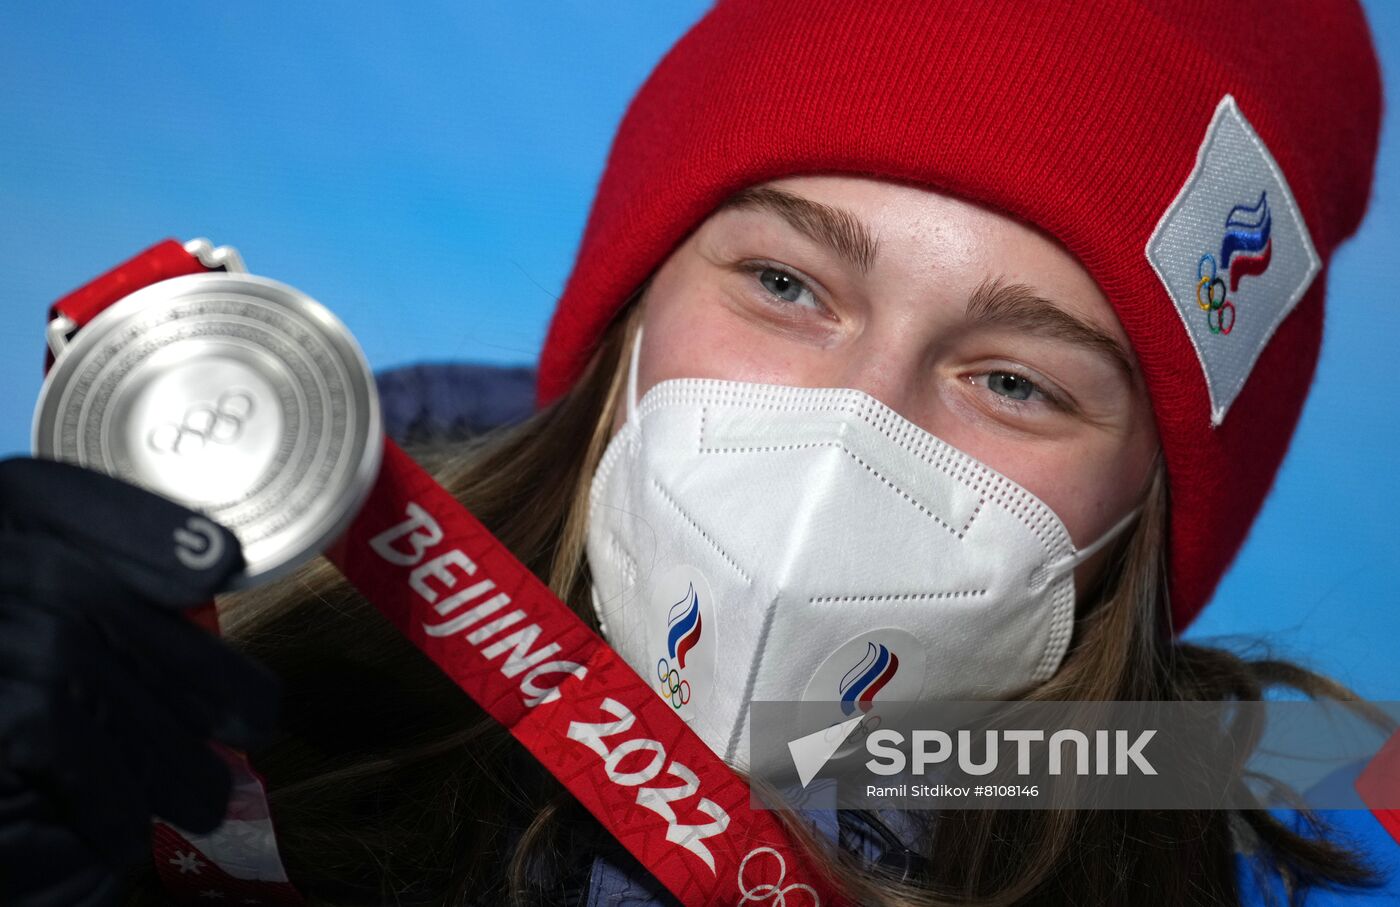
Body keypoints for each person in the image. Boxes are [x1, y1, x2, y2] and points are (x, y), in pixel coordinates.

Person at [0, 1, 1393, 905]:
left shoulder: (1282, 837)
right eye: (789, 286)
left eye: (1016, 380)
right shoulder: (229, 688)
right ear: (635, 303)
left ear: (1146, 509)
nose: (857, 430)